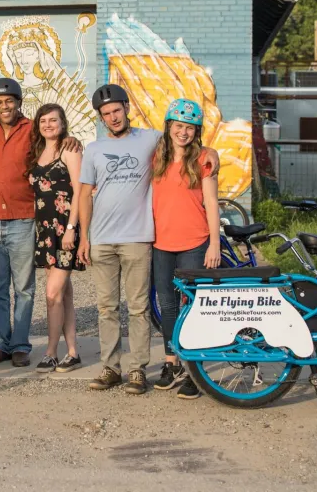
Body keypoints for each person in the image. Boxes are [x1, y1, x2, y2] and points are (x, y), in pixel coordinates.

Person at [0, 78, 76, 367]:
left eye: (9, 101)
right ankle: (0, 345)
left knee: (24, 287)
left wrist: (72, 139)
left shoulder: (31, 129)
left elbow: (54, 141)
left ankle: (20, 345)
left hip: (23, 219)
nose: (4, 106)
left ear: (18, 102)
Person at [77, 83, 160, 395]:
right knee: (107, 308)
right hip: (101, 239)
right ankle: (111, 368)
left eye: (116, 110)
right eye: (106, 113)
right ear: (101, 118)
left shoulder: (151, 138)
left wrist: (211, 154)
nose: (112, 117)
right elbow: (84, 194)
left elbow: (186, 142)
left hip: (137, 237)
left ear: (127, 108)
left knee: (138, 307)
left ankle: (138, 369)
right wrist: (84, 238)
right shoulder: (94, 149)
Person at [150, 99, 221, 400]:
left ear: (197, 131)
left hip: (195, 242)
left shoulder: (204, 159)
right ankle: (172, 363)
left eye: (190, 127)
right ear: (169, 126)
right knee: (167, 305)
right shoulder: (156, 157)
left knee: (192, 306)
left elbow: (212, 203)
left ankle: (194, 369)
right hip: (161, 244)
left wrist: (215, 243)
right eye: (178, 126)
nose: (183, 132)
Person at [26, 104, 85, 373]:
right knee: (63, 294)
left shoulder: (69, 150)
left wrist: (72, 228)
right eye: (43, 121)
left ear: (63, 123)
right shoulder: (37, 151)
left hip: (65, 230)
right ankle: (73, 352)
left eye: (53, 120)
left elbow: (80, 190)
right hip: (45, 231)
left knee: (52, 294)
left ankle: (51, 352)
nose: (48, 125)